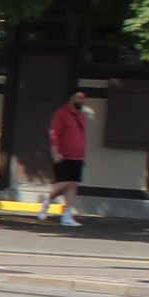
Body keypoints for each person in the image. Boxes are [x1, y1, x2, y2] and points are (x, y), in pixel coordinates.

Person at [45, 89, 89, 229]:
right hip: (64, 154)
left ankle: (67, 214)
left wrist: (83, 155)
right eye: (79, 98)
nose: (82, 101)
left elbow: (82, 136)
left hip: (77, 156)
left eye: (83, 99)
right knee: (63, 182)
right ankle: (46, 201)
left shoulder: (81, 116)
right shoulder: (61, 114)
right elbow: (54, 133)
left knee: (73, 184)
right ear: (71, 98)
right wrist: (55, 151)